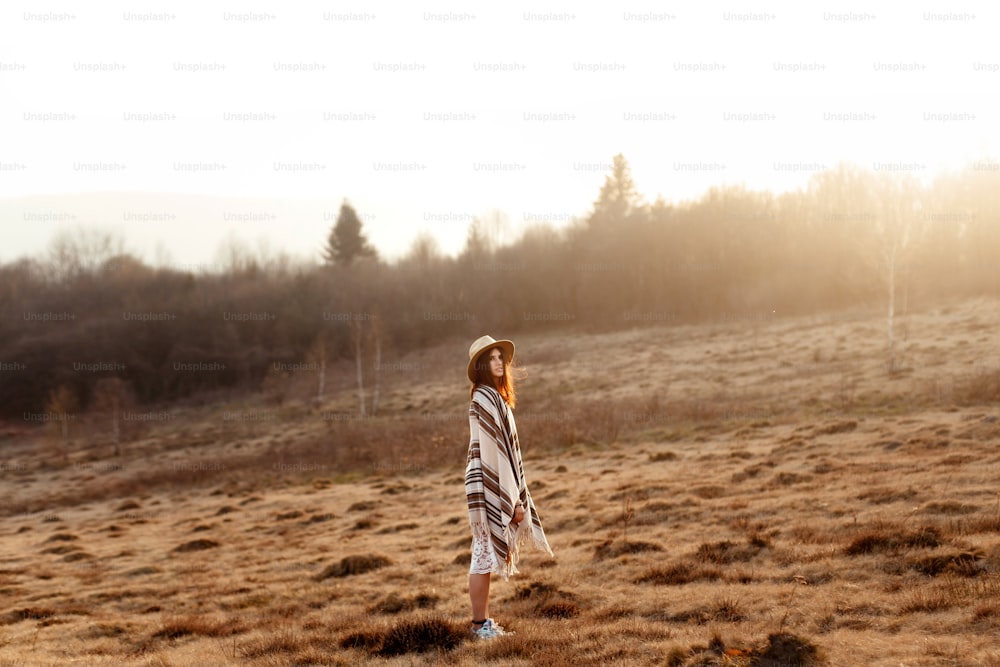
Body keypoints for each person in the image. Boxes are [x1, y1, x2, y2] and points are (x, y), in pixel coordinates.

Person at [464, 335, 553, 640]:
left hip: (487, 483)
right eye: (492, 358)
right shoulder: (485, 398)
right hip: (488, 483)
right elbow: (495, 454)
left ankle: (482, 624)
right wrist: (510, 502)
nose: (499, 363)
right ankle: (479, 626)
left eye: (501, 357)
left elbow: (503, 451)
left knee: (484, 554)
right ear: (481, 365)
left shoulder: (492, 396)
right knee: (483, 554)